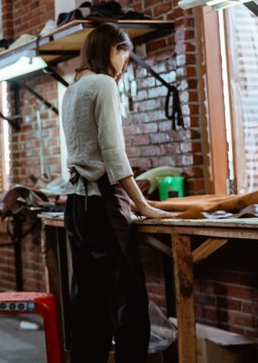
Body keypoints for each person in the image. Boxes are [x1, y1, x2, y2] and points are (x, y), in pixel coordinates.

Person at [61, 23, 177, 363]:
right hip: (102, 206)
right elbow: (113, 153)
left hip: (77, 207)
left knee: (89, 302)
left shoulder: (74, 87)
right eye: (122, 56)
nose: (123, 65)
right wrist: (144, 205)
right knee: (129, 300)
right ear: (110, 49)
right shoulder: (103, 84)